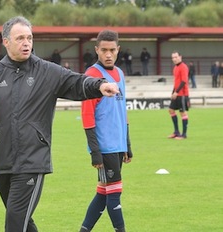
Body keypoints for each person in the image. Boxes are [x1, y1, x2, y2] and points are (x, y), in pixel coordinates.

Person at [0, 16, 119, 232]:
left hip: (33, 160)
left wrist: (99, 85)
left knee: (14, 223)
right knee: (23, 222)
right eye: (20, 38)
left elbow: (76, 82)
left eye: (29, 37)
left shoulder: (47, 71)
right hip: (1, 161)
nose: (26, 42)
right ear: (6, 42)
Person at [79, 30, 133, 232]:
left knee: (103, 193)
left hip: (118, 145)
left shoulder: (119, 74)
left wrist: (126, 143)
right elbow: (87, 115)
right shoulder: (91, 76)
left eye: (112, 50)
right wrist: (95, 151)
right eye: (104, 50)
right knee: (114, 194)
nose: (108, 54)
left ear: (118, 50)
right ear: (97, 50)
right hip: (104, 146)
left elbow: (122, 110)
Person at [167, 51, 190, 140]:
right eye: (173, 58)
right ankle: (176, 132)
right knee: (171, 110)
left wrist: (176, 92)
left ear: (180, 57)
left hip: (182, 94)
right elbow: (176, 82)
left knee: (182, 113)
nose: (174, 59)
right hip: (176, 93)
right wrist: (173, 92)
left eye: (176, 57)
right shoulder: (175, 68)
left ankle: (184, 134)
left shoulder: (183, 67)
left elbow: (184, 81)